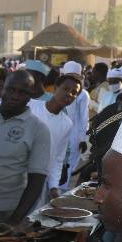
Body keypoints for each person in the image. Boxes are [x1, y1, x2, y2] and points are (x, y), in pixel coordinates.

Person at [0, 70, 50, 225]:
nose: (15, 96)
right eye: (11, 89)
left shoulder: (39, 129)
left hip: (5, 211)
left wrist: (14, 221)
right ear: (2, 87)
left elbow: (37, 180)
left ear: (31, 95)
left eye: (23, 92)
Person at [28, 71, 77, 199]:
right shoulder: (31, 106)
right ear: (55, 88)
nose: (69, 94)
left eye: (74, 93)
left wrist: (53, 187)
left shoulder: (66, 124)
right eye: (66, 89)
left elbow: (58, 157)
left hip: (40, 180)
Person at [58, 61, 89, 187]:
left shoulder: (83, 94)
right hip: (59, 131)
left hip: (74, 135)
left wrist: (83, 138)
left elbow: (84, 117)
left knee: (67, 168)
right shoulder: (59, 90)